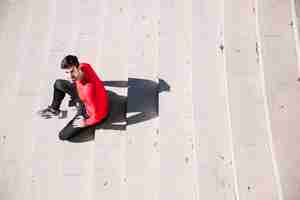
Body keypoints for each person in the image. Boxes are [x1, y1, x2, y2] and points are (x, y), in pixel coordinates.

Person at [37, 55, 109, 140]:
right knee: (58, 84)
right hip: (84, 96)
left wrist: (85, 122)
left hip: (89, 111)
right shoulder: (84, 66)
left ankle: (79, 109)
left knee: (63, 135)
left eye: (72, 71)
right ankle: (54, 109)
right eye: (67, 73)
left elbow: (98, 116)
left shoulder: (89, 90)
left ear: (78, 67)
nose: (70, 76)